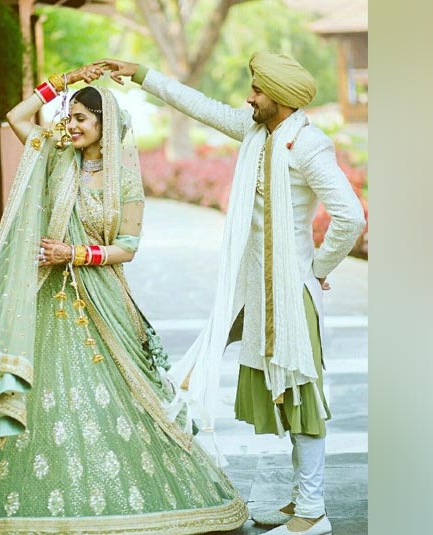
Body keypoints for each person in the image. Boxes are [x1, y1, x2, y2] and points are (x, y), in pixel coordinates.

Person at [0, 64, 248, 534]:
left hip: (101, 300)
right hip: (45, 298)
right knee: (36, 394)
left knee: (115, 399)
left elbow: (129, 250)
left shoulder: (123, 182)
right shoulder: (56, 156)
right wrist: (66, 80)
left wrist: (75, 252)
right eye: (68, 118)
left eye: (81, 120)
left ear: (104, 127)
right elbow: (16, 116)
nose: (70, 126)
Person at [96, 53, 366, 535]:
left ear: (280, 99)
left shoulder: (308, 145)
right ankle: (302, 501)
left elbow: (350, 216)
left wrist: (317, 268)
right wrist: (140, 74)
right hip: (252, 290)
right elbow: (197, 105)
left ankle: (312, 514)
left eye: (257, 91)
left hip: (289, 293)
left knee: (300, 395)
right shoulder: (256, 133)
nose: (249, 97)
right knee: (267, 390)